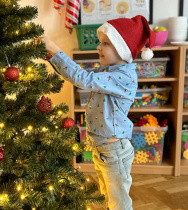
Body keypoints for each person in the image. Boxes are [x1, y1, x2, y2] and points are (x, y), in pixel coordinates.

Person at [42, 15, 156, 210]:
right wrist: (52, 57)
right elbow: (78, 77)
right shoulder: (109, 70)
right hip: (102, 148)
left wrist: (55, 49)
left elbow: (82, 78)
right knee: (109, 196)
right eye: (100, 42)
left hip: (114, 152)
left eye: (106, 43)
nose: (99, 47)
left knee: (119, 202)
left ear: (123, 49)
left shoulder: (122, 76)